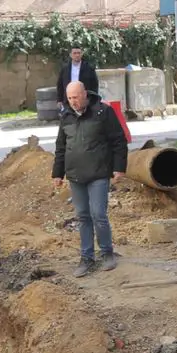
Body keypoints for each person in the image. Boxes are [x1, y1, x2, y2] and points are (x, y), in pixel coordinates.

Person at [51, 80, 127, 276]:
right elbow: (61, 147)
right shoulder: (66, 116)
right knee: (83, 216)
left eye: (76, 97)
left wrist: (119, 168)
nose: (73, 101)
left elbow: (118, 140)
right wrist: (57, 173)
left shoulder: (102, 112)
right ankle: (86, 258)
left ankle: (107, 253)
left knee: (98, 214)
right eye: (69, 98)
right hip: (75, 175)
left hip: (99, 173)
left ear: (85, 94)